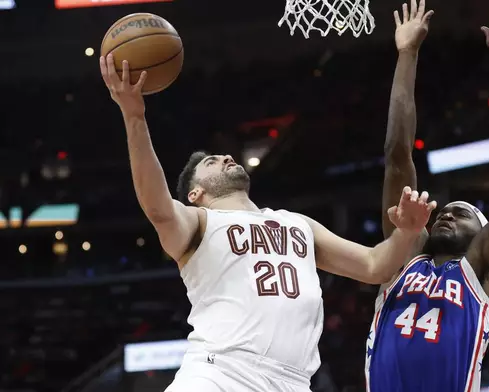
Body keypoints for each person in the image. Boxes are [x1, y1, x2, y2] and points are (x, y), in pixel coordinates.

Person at [99, 55, 436, 392]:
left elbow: (374, 265)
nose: (226, 158)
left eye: (224, 156)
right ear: (195, 193)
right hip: (220, 373)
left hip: (291, 382)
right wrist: (134, 115)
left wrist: (406, 233)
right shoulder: (198, 222)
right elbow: (157, 207)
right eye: (212, 162)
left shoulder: (297, 224)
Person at [365, 1, 489, 391]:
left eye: (462, 213)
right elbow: (397, 155)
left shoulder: (484, 270)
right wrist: (407, 54)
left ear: (483, 234)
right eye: (446, 209)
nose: (446, 214)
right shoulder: (402, 256)